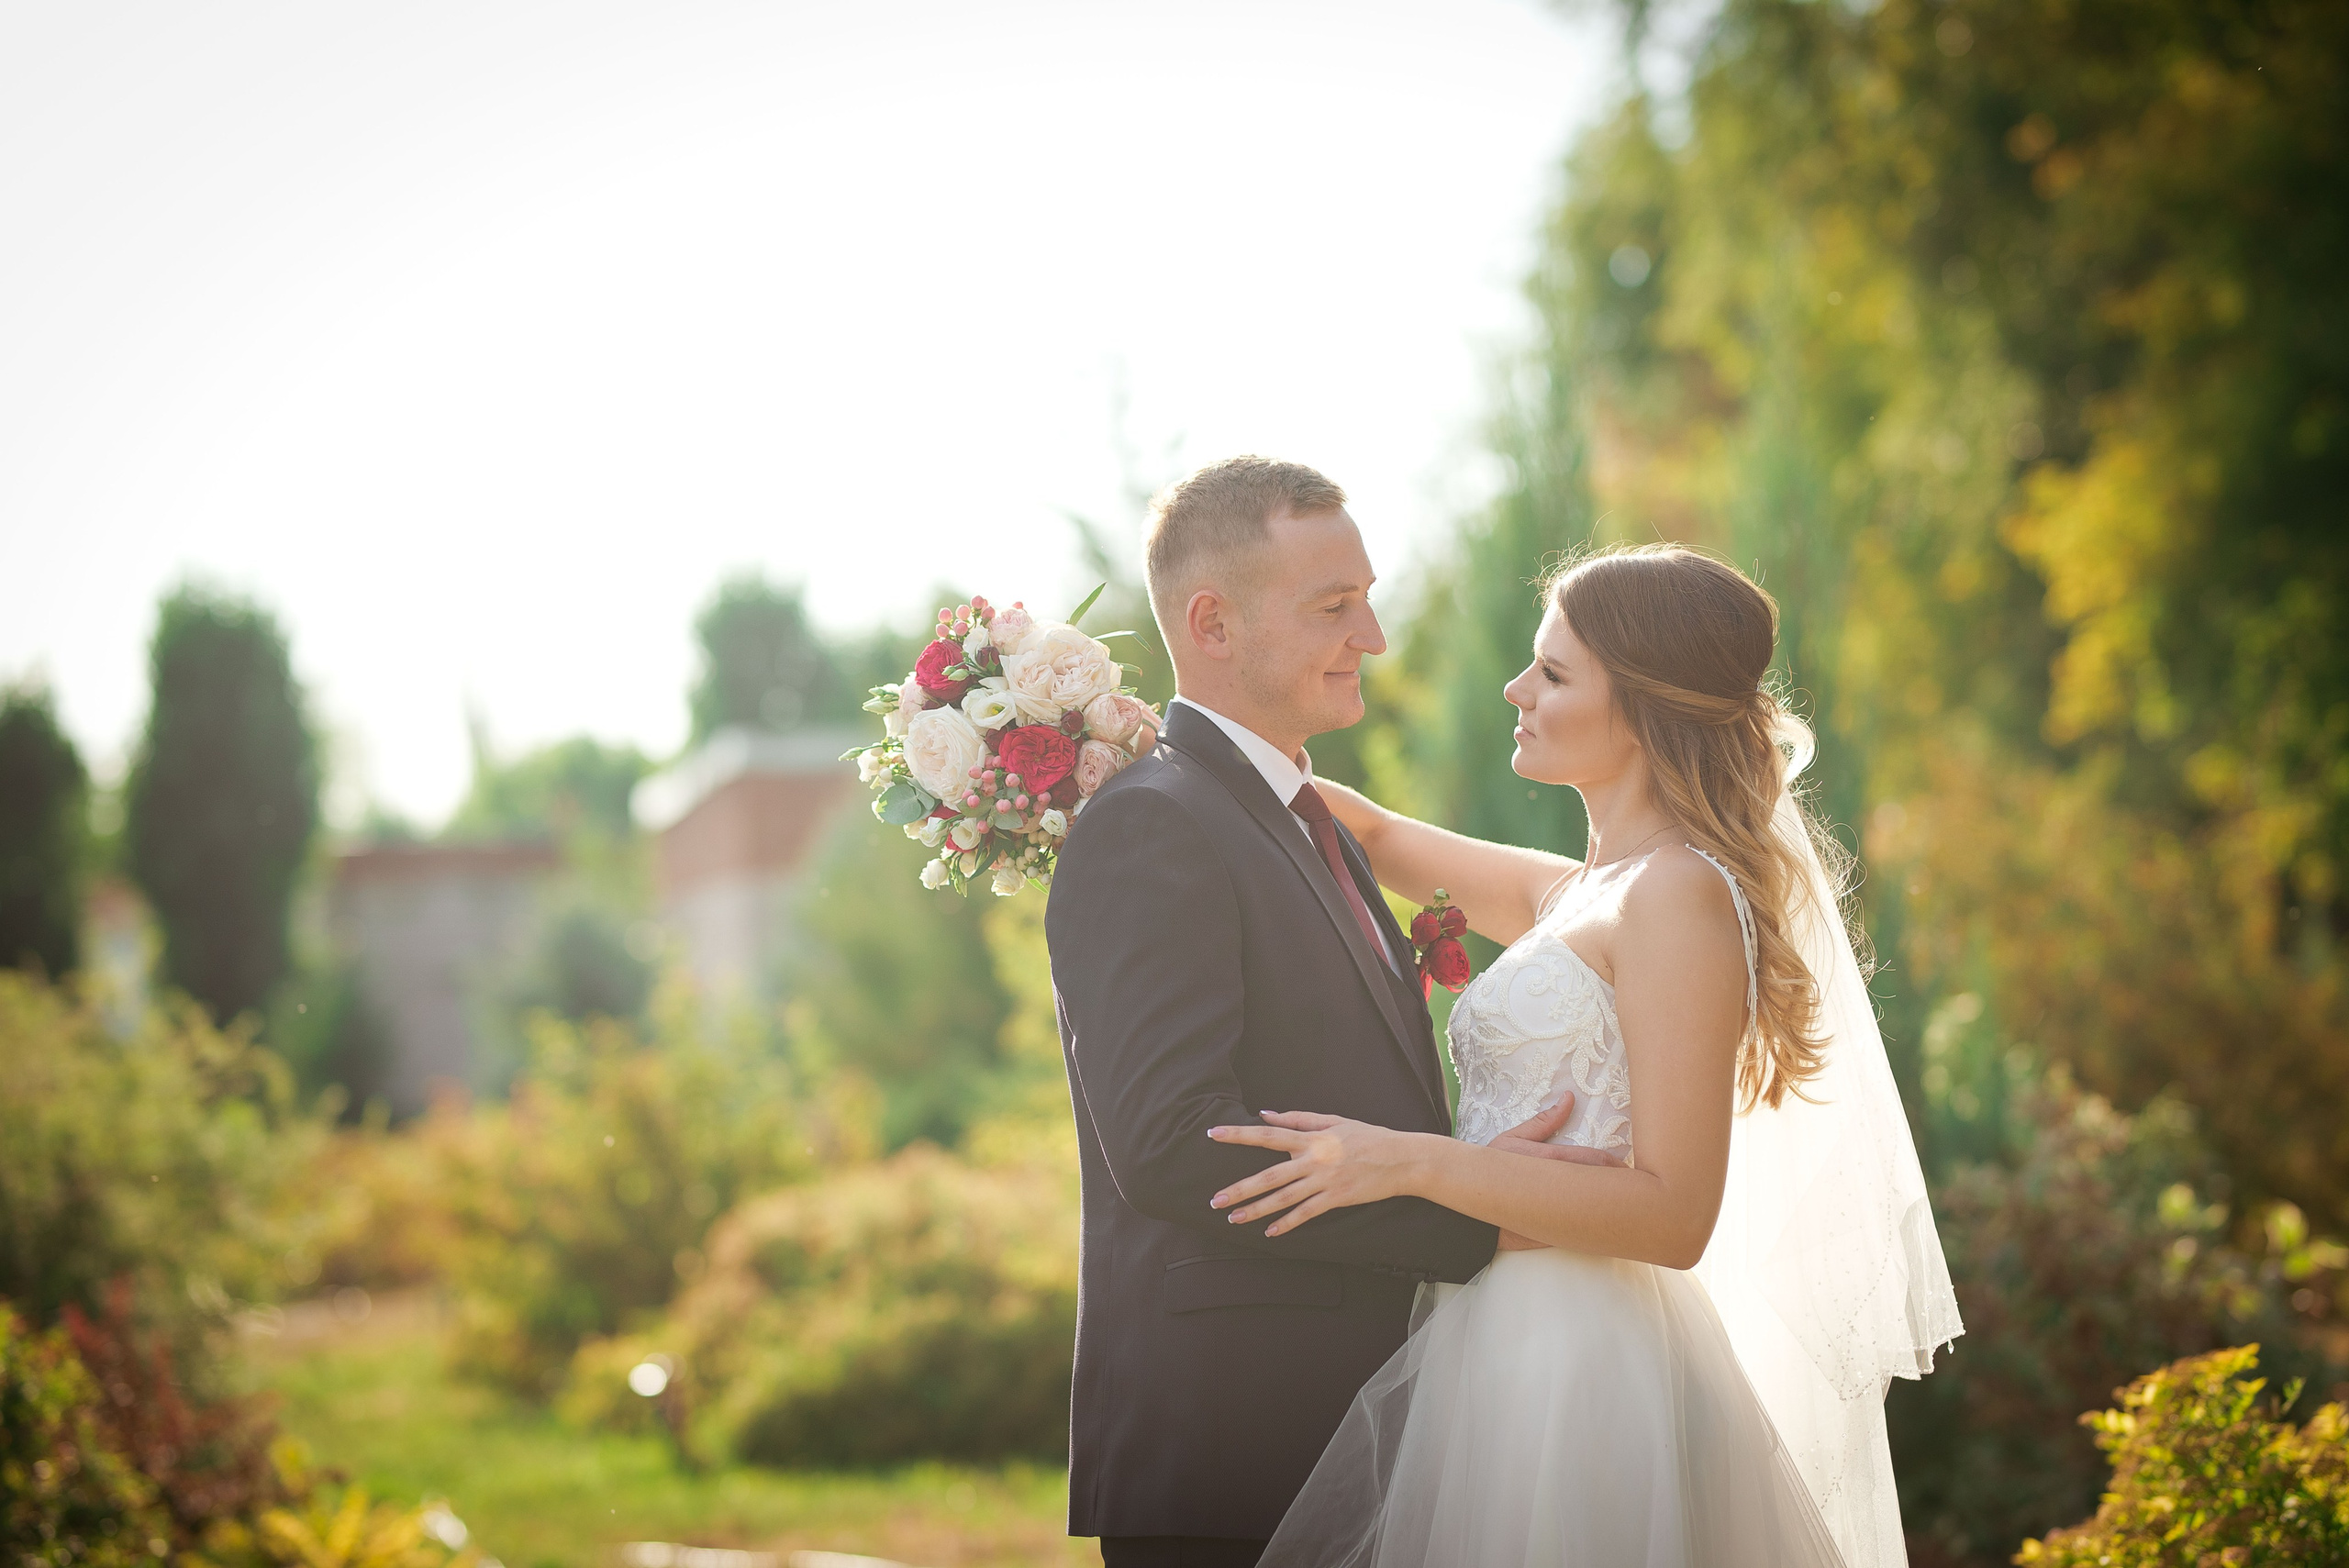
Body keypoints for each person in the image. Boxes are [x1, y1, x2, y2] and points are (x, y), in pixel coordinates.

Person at [1205, 543, 1962, 1568]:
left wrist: (1411, 1161)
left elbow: (1674, 1214)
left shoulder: (1678, 896)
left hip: (1580, 1361)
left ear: (1647, 707)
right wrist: (1121, 747)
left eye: (1553, 674)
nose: (1517, 689)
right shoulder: (1580, 892)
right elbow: (1371, 834)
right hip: (1493, 1330)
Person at [1045, 457, 1607, 1567]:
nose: (1376, 635)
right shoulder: (1151, 821)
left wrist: (1466, 1167)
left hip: (1355, 1426)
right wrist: (1478, 1219)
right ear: (1211, 621)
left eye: (1368, 595)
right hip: (1231, 1449)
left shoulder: (1306, 816)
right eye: (1334, 606)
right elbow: (1169, 1145)